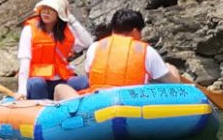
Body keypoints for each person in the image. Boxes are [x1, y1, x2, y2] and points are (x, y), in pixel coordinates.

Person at [52, 8, 181, 100]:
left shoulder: (95, 47)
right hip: (132, 101)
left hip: (98, 100)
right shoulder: (146, 51)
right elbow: (174, 87)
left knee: (60, 88)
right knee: (171, 70)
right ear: (136, 31)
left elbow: (90, 77)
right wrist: (172, 70)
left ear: (113, 29)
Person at [16, 0, 92, 100]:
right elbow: (24, 61)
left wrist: (70, 18)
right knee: (37, 84)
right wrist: (22, 91)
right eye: (44, 8)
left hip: (61, 81)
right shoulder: (29, 30)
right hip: (37, 81)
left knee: (85, 81)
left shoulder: (66, 32)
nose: (46, 11)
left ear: (59, 14)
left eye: (51, 9)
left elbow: (87, 42)